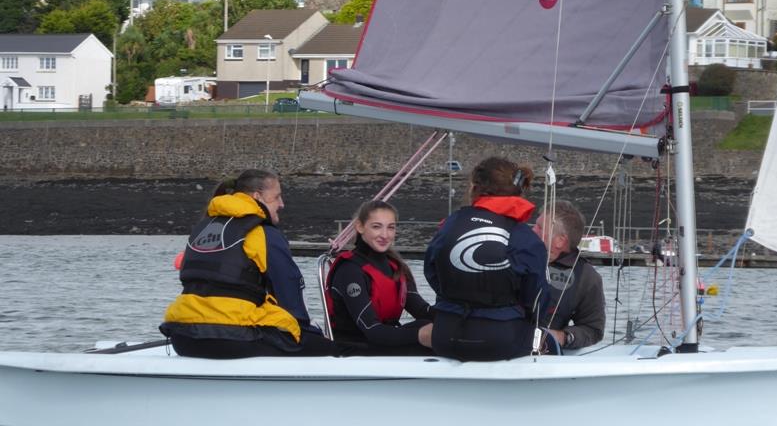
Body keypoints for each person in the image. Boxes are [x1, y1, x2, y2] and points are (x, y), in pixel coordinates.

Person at [160, 169, 339, 358]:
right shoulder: (264, 233)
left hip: (183, 336)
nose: (282, 204)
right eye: (277, 197)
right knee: (327, 347)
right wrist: (307, 335)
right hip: (229, 338)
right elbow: (289, 289)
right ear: (258, 196)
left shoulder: (204, 227)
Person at [424, 156, 549, 361]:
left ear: (474, 187)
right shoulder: (526, 240)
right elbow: (537, 300)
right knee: (545, 341)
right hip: (499, 341)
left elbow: (431, 271)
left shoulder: (450, 224)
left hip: (445, 337)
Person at [325, 200, 433, 355]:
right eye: (376, 227)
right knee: (430, 337)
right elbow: (373, 330)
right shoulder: (350, 271)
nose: (385, 235)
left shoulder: (395, 266)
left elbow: (423, 311)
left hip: (383, 341)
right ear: (360, 227)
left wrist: (460, 316)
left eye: (391, 227)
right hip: (354, 348)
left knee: (431, 324)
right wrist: (422, 335)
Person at [534, 200, 605, 351]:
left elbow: (593, 329)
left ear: (560, 240)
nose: (532, 231)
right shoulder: (515, 257)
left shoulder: (587, 278)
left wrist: (562, 337)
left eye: (539, 228)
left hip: (542, 355)